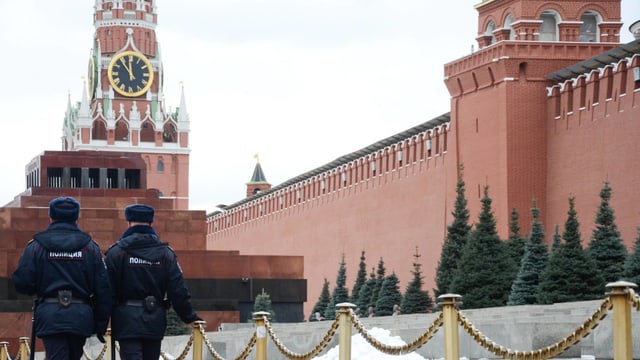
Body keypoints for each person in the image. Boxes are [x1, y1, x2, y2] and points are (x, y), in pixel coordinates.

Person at [12, 197, 111, 360]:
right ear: (76, 217)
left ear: (51, 217)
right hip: (80, 316)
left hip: (50, 315)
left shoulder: (36, 247)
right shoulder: (91, 248)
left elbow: (22, 283)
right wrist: (100, 325)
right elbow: (103, 289)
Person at [105, 204, 201, 360]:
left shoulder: (116, 253)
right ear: (151, 223)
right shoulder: (166, 254)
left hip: (126, 322)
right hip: (154, 321)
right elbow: (178, 290)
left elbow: (106, 291)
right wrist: (189, 317)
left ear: (128, 223)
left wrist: (100, 323)